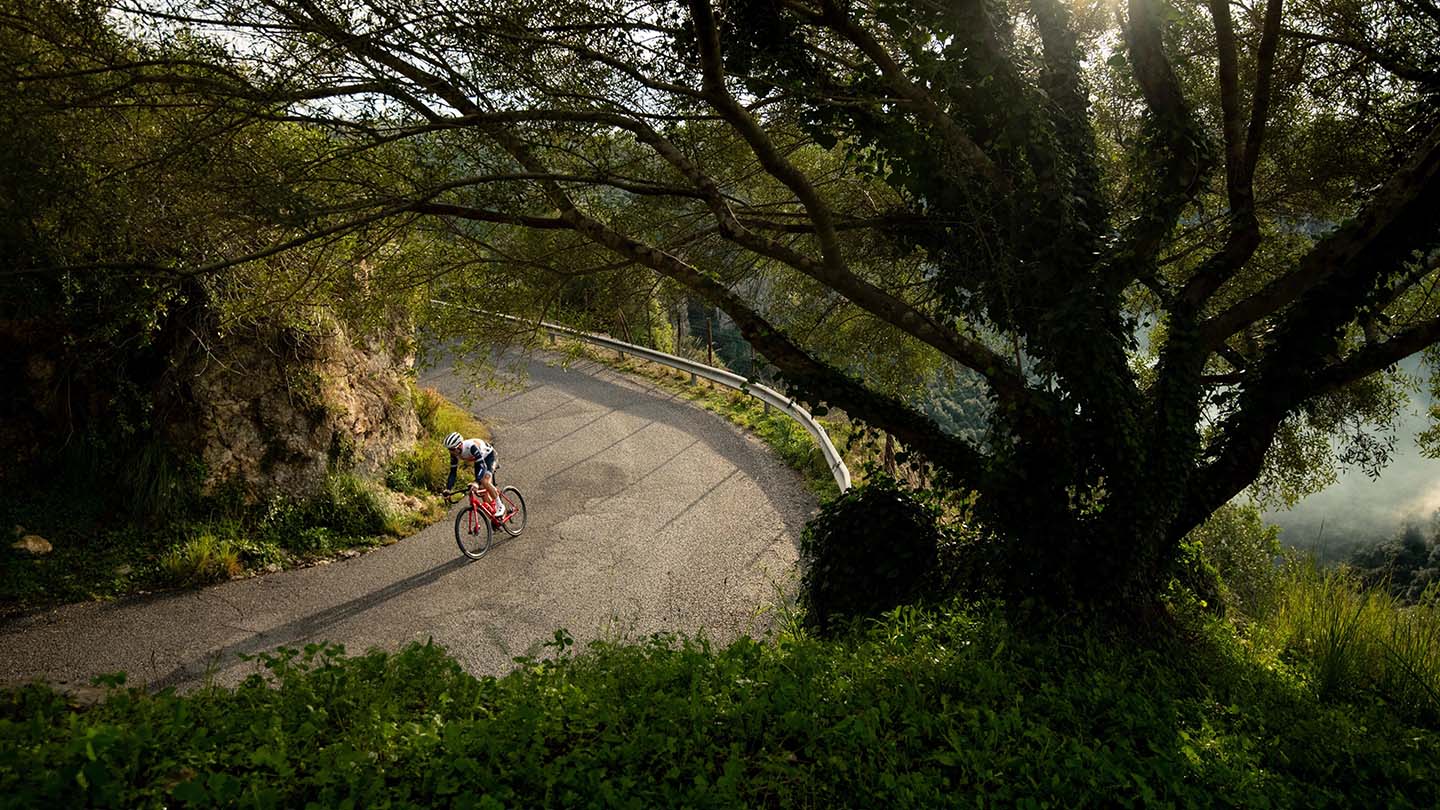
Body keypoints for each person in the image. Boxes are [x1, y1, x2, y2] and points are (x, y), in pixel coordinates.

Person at [443, 431, 504, 516]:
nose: (451, 452)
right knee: (481, 490)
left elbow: (483, 466)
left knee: (484, 481)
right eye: (449, 449)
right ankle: (494, 513)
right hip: (479, 461)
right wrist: (448, 489)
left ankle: (500, 505)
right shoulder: (454, 454)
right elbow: (453, 472)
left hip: (489, 456)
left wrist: (476, 482)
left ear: (460, 445)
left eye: (452, 449)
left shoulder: (471, 447)